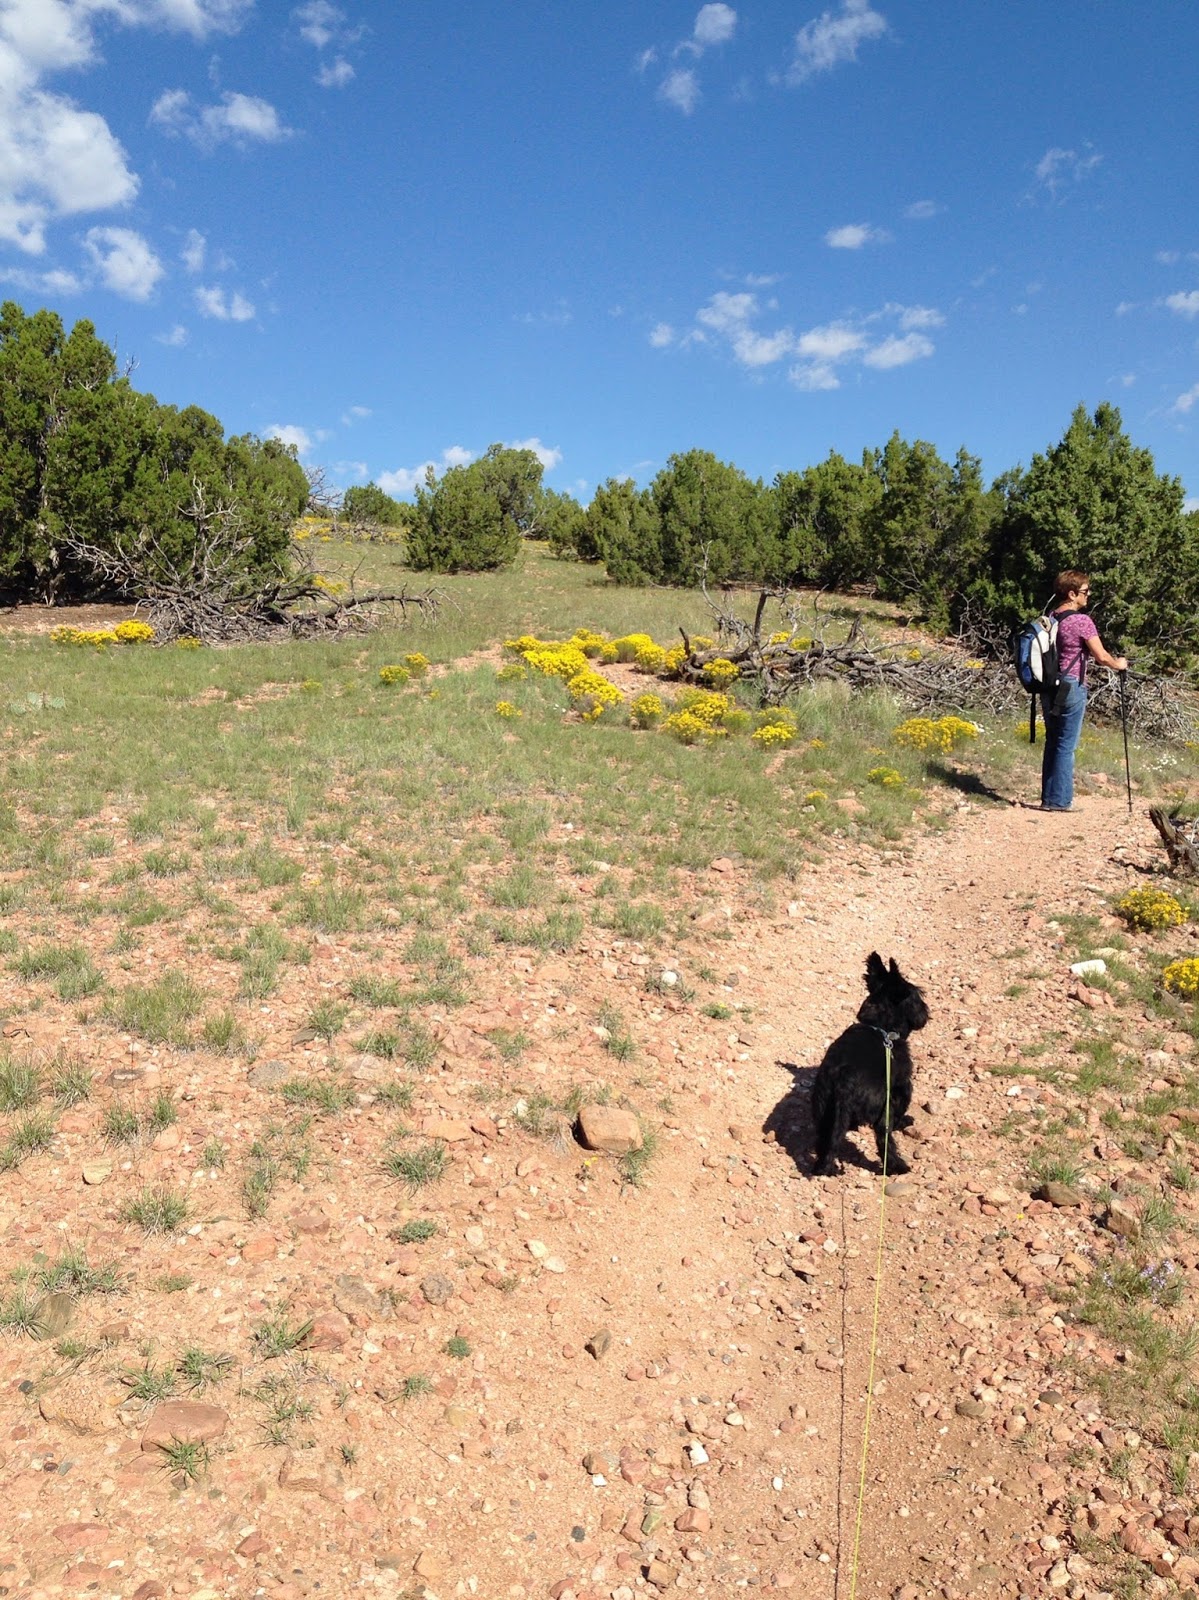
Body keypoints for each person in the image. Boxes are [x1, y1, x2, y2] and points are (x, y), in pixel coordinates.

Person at [1040, 569, 1127, 812]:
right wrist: (1118, 664)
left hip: (1049, 685)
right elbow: (1101, 656)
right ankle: (1060, 801)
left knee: (1053, 741)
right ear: (1072, 594)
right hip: (1071, 685)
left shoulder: (1051, 617)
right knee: (1066, 744)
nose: (1088, 595)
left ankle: (1049, 798)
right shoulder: (1081, 621)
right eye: (1085, 592)